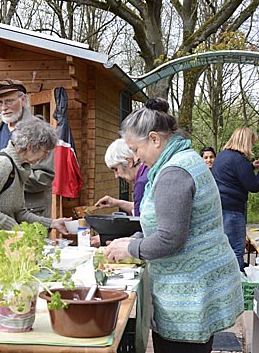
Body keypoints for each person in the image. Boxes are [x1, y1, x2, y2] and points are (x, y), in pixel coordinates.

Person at [104, 98, 243, 353]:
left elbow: (170, 238)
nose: (135, 157)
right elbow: (167, 222)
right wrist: (132, 239)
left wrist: (131, 248)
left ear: (155, 139)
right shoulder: (184, 158)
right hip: (198, 282)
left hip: (188, 293)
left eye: (136, 149)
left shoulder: (174, 173)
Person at [0, 117, 70, 234]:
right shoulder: (3, 165)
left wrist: (52, 223)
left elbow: (20, 213)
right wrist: (13, 227)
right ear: (31, 146)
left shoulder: (20, 168)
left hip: (4, 240)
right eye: (45, 151)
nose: (46, 156)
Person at [0, 78, 55, 217]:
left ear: (23, 99)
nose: (3, 107)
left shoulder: (40, 131)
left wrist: (7, 182)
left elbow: (44, 176)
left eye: (9, 101)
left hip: (30, 208)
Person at [212, 127, 259, 271]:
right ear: (245, 141)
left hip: (220, 208)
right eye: (252, 142)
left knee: (225, 251)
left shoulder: (222, 156)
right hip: (233, 211)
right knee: (237, 251)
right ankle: (237, 285)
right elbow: (253, 186)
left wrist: (251, 167)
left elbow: (233, 176)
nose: (252, 146)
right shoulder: (239, 159)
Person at [92, 138, 149, 246]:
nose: (116, 176)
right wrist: (117, 203)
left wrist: (107, 239)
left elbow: (143, 228)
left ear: (129, 162)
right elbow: (145, 209)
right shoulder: (149, 172)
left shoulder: (142, 183)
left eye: (116, 169)